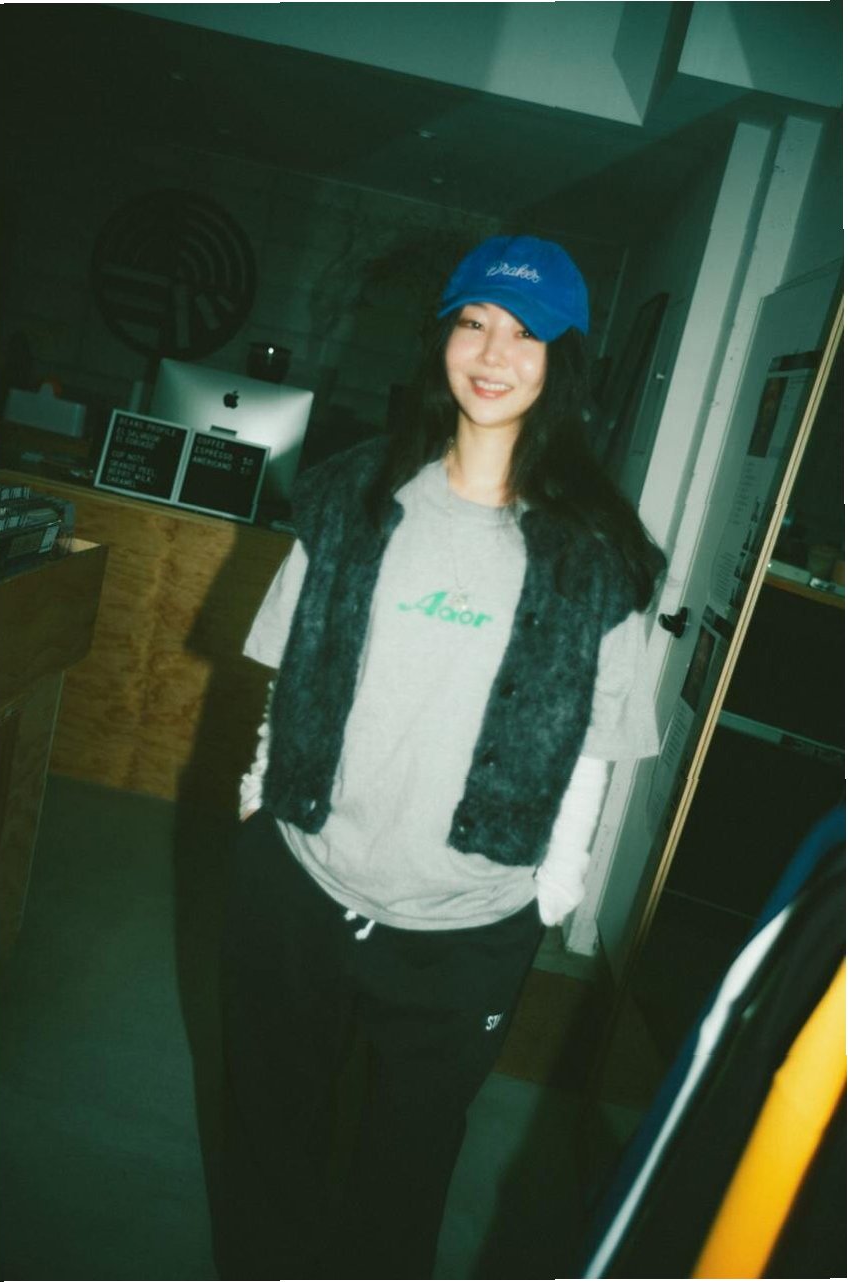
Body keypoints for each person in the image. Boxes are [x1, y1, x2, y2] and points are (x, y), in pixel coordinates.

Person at [215, 234, 666, 1280]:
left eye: (525, 333)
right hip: (299, 882)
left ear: (563, 362)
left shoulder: (600, 557)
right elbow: (291, 674)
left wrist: (556, 883)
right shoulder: (348, 496)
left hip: (466, 925)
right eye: (473, 323)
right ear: (442, 341)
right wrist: (254, 795)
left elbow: (592, 745)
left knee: (402, 1173)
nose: (493, 353)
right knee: (267, 1141)